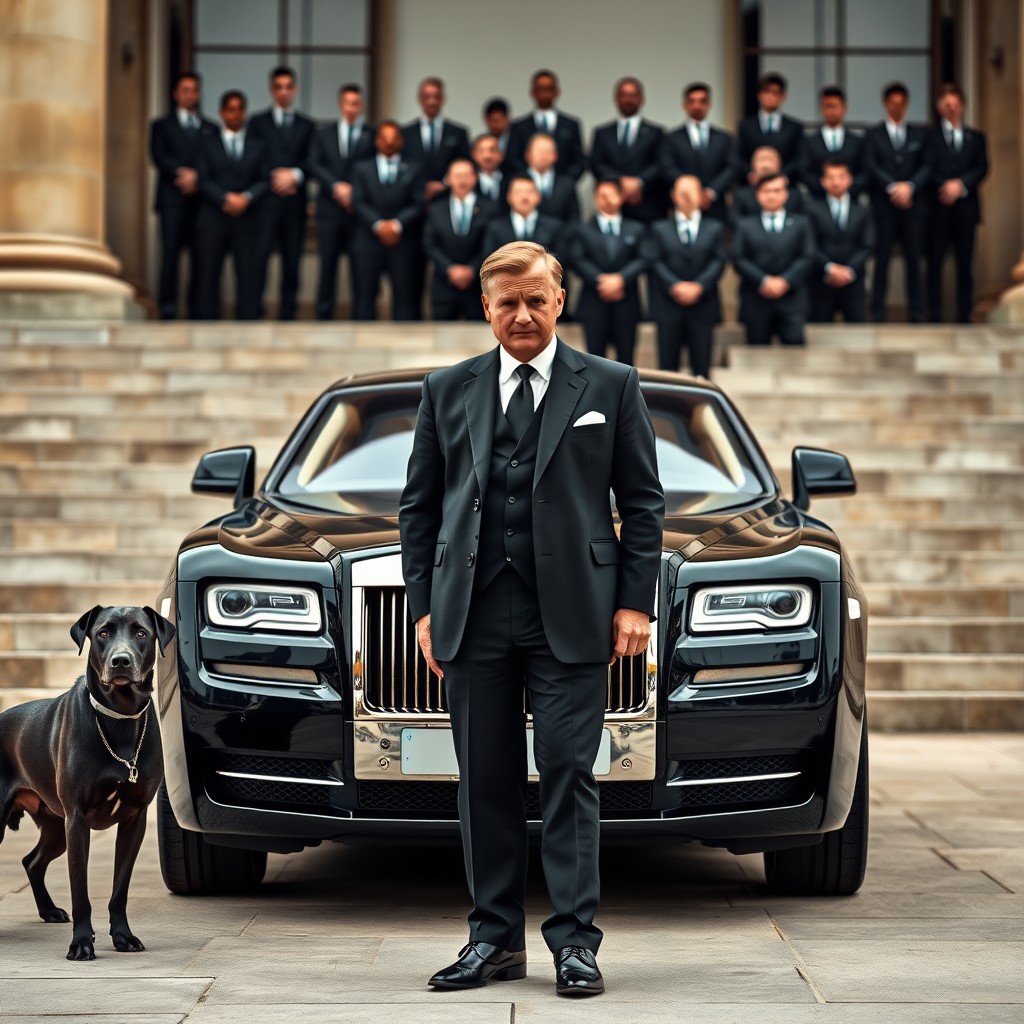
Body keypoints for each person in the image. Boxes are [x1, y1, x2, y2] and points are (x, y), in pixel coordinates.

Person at [399, 240, 664, 998]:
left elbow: (644, 503)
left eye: (534, 301)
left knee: (569, 775)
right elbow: (418, 510)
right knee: (483, 780)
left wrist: (635, 601)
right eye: (506, 302)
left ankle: (575, 944)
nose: (521, 315)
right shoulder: (445, 389)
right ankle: (493, 940)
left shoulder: (610, 385)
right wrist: (422, 609)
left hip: (575, 614)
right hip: (472, 614)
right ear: (485, 307)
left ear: (560, 301)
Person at [247, 65, 315, 320]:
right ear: (272, 89)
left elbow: (313, 160)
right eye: (279, 87)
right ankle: (255, 311)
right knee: (259, 257)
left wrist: (295, 174)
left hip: (294, 204)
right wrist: (274, 176)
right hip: (265, 202)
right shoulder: (257, 122)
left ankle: (288, 312)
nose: (284, 92)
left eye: (288, 87)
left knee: (292, 259)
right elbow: (251, 158)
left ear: (294, 89)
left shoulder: (306, 125)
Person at [192, 90, 267, 320]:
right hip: (213, 217)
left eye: (240, 109)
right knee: (209, 271)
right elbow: (203, 178)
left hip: (247, 218)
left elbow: (264, 178)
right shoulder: (206, 143)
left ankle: (247, 321)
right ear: (222, 112)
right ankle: (207, 321)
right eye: (231, 109)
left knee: (247, 272)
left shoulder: (258, 145)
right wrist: (224, 198)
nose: (236, 114)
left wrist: (247, 197)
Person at [149, 71, 217, 319]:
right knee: (170, 255)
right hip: (172, 201)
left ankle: (196, 309)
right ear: (176, 94)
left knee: (201, 258)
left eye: (194, 90)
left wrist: (198, 177)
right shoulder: (161, 126)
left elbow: (215, 160)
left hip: (202, 203)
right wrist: (182, 174)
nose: (190, 95)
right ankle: (167, 307)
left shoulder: (211, 128)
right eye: (185, 90)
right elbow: (158, 156)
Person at [643, 175, 726, 377]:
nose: (687, 197)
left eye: (692, 192)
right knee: (667, 368)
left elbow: (719, 260)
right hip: (668, 303)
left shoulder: (715, 228)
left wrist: (699, 286)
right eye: (682, 192)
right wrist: (675, 285)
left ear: (701, 195)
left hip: (703, 303)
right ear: (673, 196)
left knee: (702, 367)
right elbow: (655, 261)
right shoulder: (658, 228)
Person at [863, 81, 931, 323]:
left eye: (901, 104)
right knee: (881, 260)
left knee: (914, 260)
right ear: (885, 104)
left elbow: (927, 165)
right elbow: (871, 165)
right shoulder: (873, 135)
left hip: (913, 208)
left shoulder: (919, 134)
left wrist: (909, 187)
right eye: (893, 104)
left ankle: (916, 312)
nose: (897, 108)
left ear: (907, 105)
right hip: (884, 207)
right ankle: (878, 312)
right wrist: (893, 187)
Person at [309, 83, 375, 320]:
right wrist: (337, 186)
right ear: (340, 104)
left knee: (361, 267)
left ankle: (361, 317)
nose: (351, 108)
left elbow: (373, 169)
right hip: (330, 209)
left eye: (356, 103)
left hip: (359, 213)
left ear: (362, 105)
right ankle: (323, 315)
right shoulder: (323, 133)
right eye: (348, 103)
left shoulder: (372, 133)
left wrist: (354, 191)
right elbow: (315, 164)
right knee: (328, 264)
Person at [926, 83, 989, 323]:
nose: (951, 108)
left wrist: (960, 184)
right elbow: (927, 166)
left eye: (955, 103)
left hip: (966, 209)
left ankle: (965, 316)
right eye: (946, 104)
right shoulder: (930, 137)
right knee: (935, 263)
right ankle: (934, 315)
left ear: (962, 106)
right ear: (939, 107)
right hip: (937, 209)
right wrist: (945, 185)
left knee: (965, 264)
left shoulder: (976, 137)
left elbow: (982, 167)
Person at [349, 121, 424, 321]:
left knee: (404, 299)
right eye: (384, 137)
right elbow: (358, 201)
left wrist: (396, 225)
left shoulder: (415, 168)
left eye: (394, 137)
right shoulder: (362, 168)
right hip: (367, 241)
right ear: (377, 141)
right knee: (364, 300)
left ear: (401, 140)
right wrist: (379, 225)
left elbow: (418, 203)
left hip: (403, 241)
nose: (389, 142)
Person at [568, 178, 648, 364]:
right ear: (595, 198)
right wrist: (600, 281)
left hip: (627, 301)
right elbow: (576, 258)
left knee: (627, 361)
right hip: (594, 302)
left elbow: (644, 258)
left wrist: (621, 279)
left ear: (621, 197)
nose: (606, 199)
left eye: (611, 194)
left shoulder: (636, 228)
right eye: (601, 195)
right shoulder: (583, 230)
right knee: (594, 362)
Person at [732, 171, 815, 346]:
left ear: (785, 194)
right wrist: (763, 280)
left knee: (794, 345)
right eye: (766, 191)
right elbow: (738, 258)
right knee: (757, 347)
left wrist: (785, 280)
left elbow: (808, 256)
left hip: (792, 297)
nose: (772, 195)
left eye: (777, 190)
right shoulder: (745, 225)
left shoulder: (802, 223)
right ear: (758, 195)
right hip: (756, 297)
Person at [423, 159, 496, 320]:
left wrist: (472, 269)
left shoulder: (489, 208)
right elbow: (429, 243)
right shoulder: (436, 208)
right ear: (448, 179)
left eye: (466, 175)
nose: (462, 180)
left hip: (478, 284)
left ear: (475, 178)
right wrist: (450, 269)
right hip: (444, 283)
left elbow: (491, 243)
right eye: (457, 175)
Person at [806, 160, 875, 323]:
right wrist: (829, 268)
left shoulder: (863, 210)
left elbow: (868, 244)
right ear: (823, 181)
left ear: (849, 179)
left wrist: (849, 270)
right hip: (821, 279)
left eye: (841, 177)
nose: (836, 182)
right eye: (831, 177)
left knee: (857, 330)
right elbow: (809, 243)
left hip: (854, 279)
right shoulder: (811, 209)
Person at [588, 77, 665, 223]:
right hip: (612, 207)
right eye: (624, 95)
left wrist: (639, 182)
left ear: (641, 99)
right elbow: (595, 163)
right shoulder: (602, 132)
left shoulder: (656, 132)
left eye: (633, 95)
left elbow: (660, 164)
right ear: (616, 98)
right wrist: (620, 182)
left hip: (647, 205)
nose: (628, 100)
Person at [659, 82, 735, 221]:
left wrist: (710, 192)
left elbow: (730, 168)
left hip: (715, 206)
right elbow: (667, 167)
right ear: (684, 105)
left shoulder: (724, 138)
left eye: (702, 101)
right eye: (692, 101)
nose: (697, 106)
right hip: (682, 205)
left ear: (709, 104)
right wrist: (690, 191)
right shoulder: (671, 138)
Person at [401, 76, 471, 204]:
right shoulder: (405, 133)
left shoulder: (458, 132)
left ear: (443, 99)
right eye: (427, 97)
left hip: (448, 198)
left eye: (436, 97)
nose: (432, 101)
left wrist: (445, 183)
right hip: (414, 199)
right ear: (420, 99)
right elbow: (403, 165)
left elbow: (463, 163)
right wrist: (423, 186)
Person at [506, 70, 585, 182]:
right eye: (540, 89)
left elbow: (579, 161)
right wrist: (530, 179)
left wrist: (565, 181)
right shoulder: (518, 127)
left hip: (563, 190)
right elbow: (512, 159)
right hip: (527, 187)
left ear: (557, 92)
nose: (544, 93)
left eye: (549, 89)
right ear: (532, 92)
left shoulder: (571, 125)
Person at [735, 71, 804, 183]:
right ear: (759, 95)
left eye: (775, 93)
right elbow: (738, 156)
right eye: (766, 92)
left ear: (783, 96)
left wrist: (783, 175)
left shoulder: (794, 127)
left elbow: (799, 158)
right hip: (752, 186)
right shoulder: (746, 126)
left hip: (785, 185)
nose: (770, 96)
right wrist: (751, 173)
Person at [800, 86, 866, 199]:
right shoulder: (809, 141)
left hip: (851, 200)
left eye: (835, 106)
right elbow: (804, 170)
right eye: (827, 106)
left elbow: (865, 170)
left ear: (844, 108)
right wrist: (825, 188)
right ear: (821, 108)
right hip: (818, 199)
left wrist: (847, 188)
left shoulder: (857, 141)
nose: (832, 111)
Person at [483, 176, 563, 252]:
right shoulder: (495, 228)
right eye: (518, 192)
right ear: (508, 197)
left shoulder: (554, 227)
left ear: (538, 197)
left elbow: (560, 260)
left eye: (529, 191)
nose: (524, 197)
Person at [730, 146, 804, 226]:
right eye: (761, 160)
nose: (766, 165)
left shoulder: (794, 196)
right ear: (752, 166)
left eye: (770, 159)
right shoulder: (741, 196)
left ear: (779, 165)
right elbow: (735, 220)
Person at [524, 134, 579, 226]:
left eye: (548, 151)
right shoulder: (513, 182)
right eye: (540, 151)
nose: (544, 155)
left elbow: (574, 219)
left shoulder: (567, 184)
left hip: (560, 237)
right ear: (528, 154)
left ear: (555, 156)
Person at [473, 134, 507, 208]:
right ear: (474, 155)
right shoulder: (468, 181)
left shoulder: (511, 180)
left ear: (501, 154)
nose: (487, 156)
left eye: (492, 150)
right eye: (481, 151)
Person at [483, 97, 512, 168]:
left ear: (507, 119)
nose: (496, 125)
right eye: (493, 121)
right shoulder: (482, 142)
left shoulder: (516, 142)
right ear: (486, 120)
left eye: (499, 120)